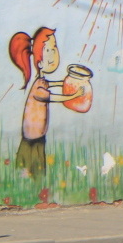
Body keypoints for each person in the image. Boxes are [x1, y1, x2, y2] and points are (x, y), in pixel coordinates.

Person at [8, 27, 88, 177]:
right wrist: (74, 94)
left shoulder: (43, 81)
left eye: (54, 48)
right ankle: (27, 184)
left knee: (37, 166)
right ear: (39, 62)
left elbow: (53, 84)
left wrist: (66, 82)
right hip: (32, 138)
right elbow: (53, 98)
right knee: (28, 168)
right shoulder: (38, 87)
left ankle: (33, 184)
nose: (54, 54)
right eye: (49, 50)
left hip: (38, 136)